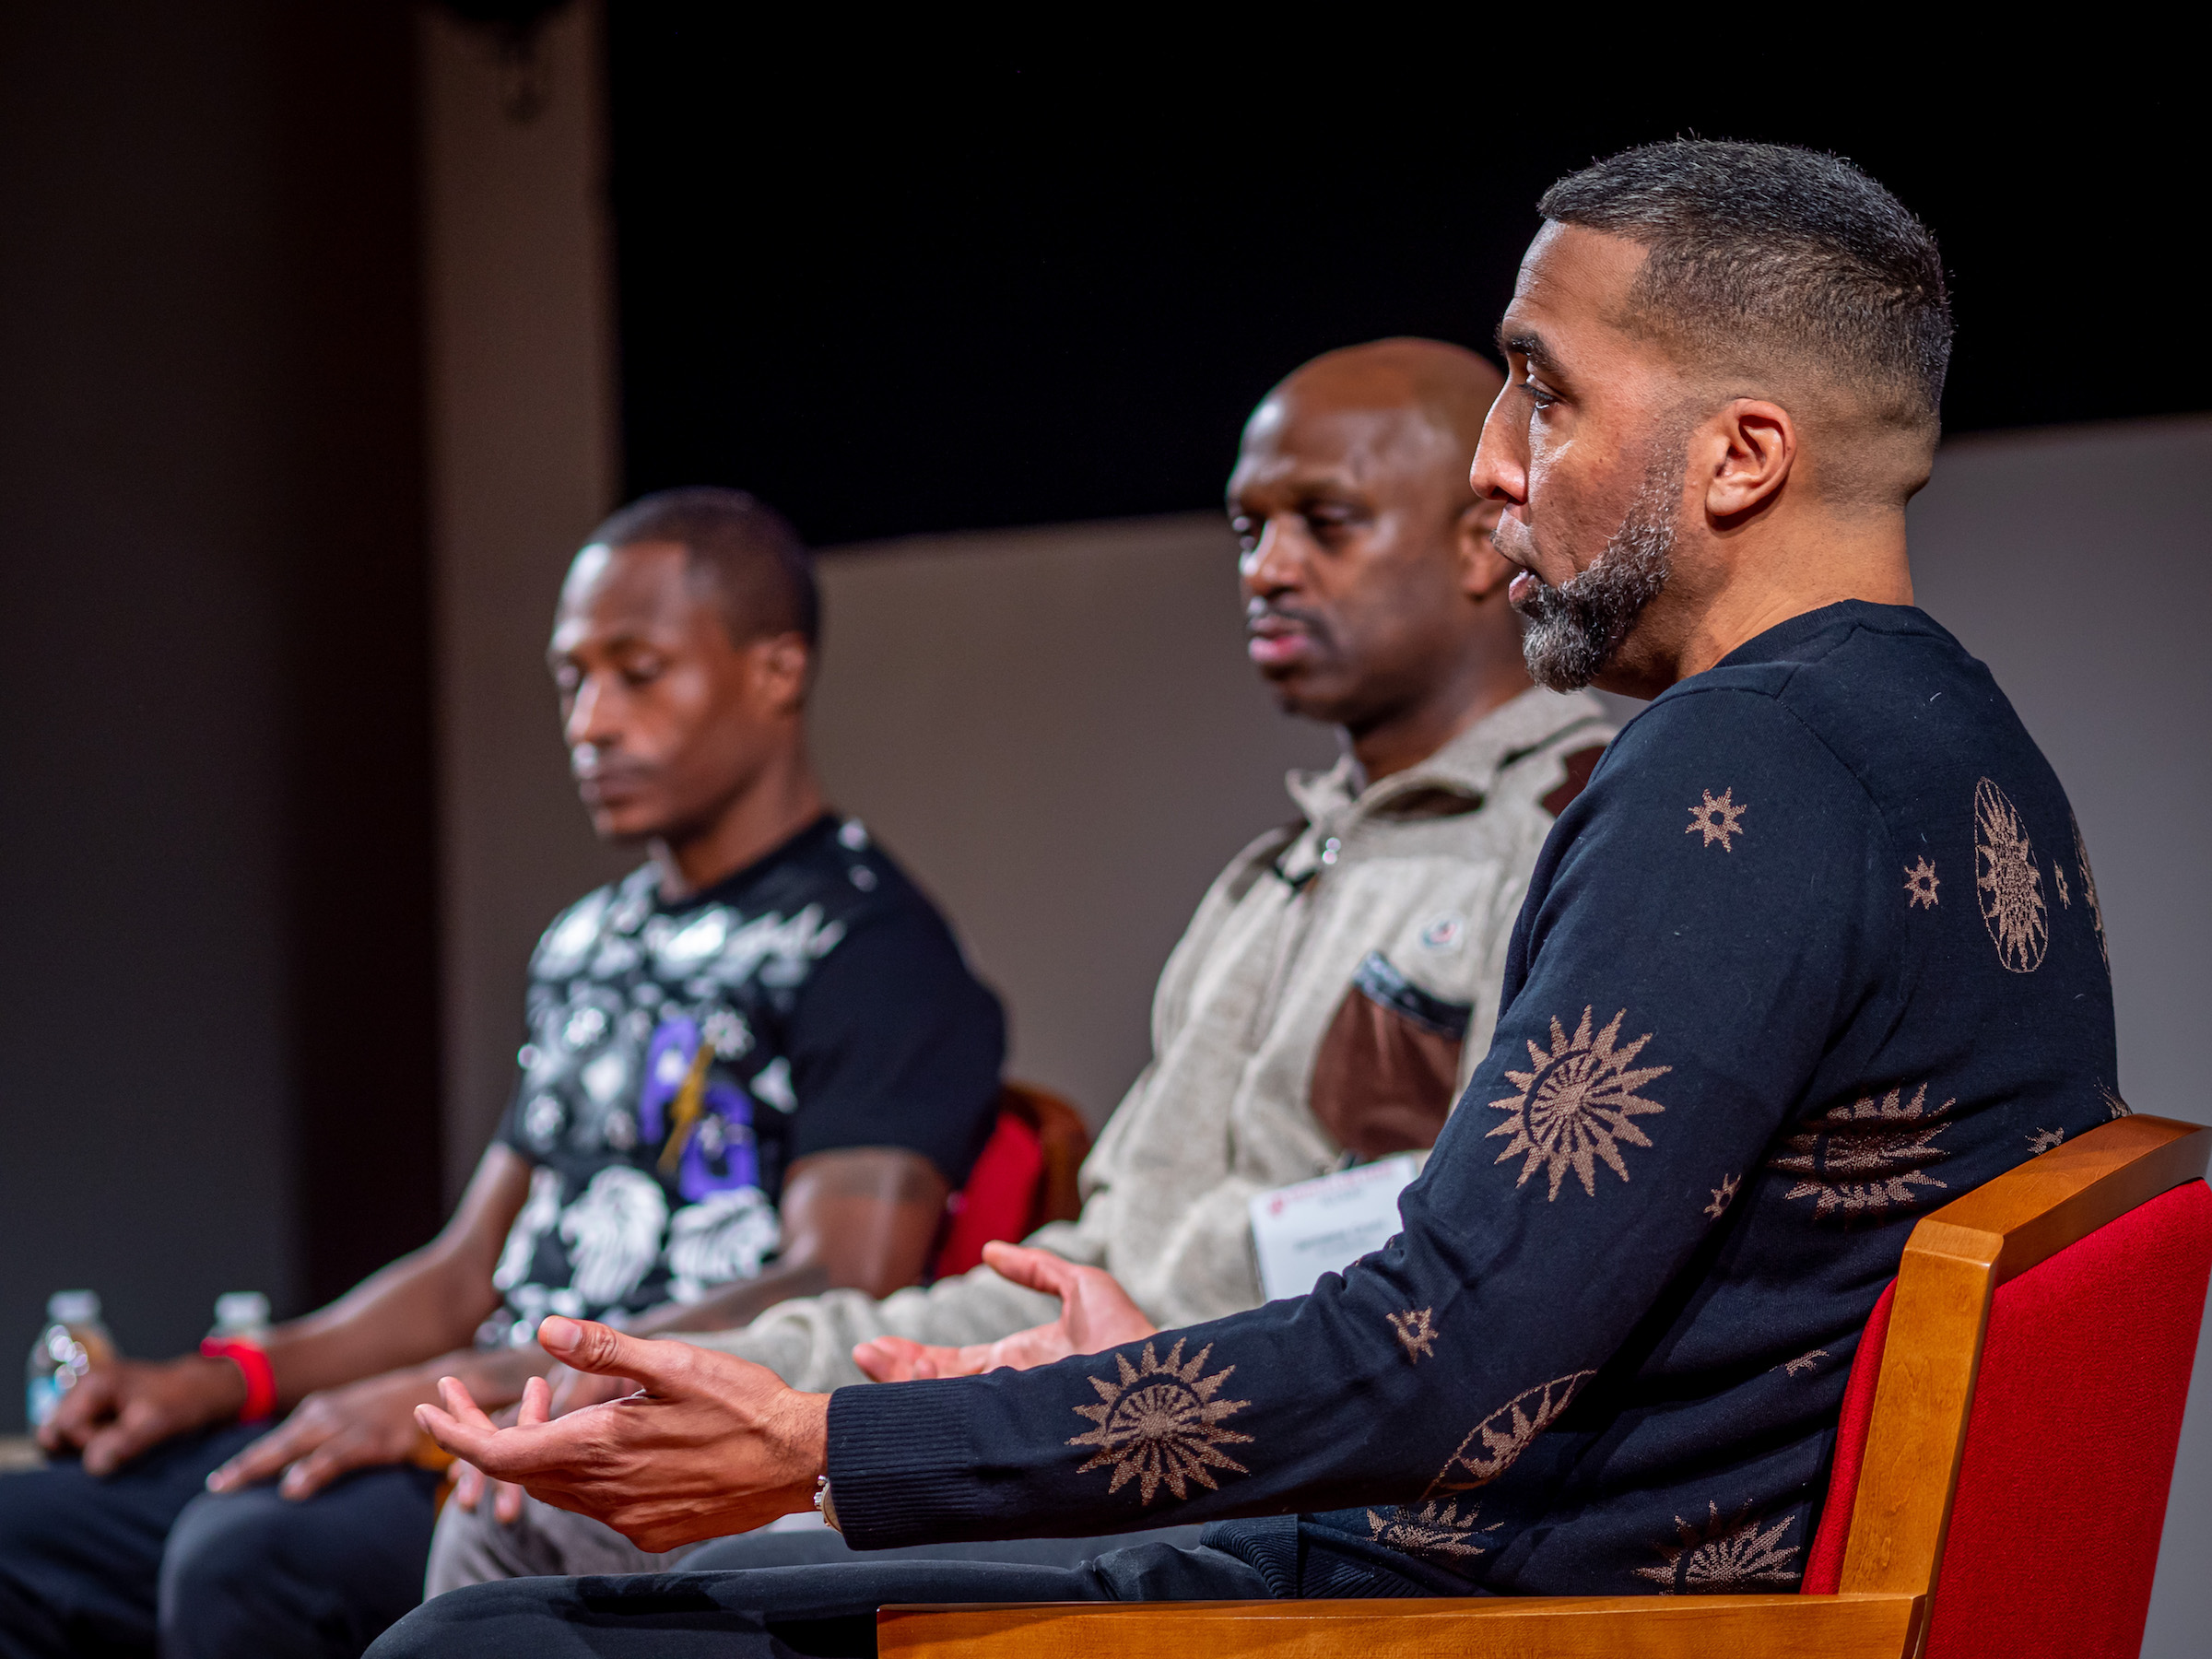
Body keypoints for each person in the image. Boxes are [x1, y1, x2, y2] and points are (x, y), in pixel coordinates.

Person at [379, 139, 2121, 1657]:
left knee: (494, 1635)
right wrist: (1133, 1378)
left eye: (1546, 390)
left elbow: (1439, 1364)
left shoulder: (1730, 776)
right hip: (1506, 1558)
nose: (1499, 464)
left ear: (1742, 458)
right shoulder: (1962, 745)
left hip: (1493, 1617)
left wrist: (823, 1447)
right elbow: (1544, 1316)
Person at [420, 337, 1616, 1591]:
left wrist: (928, 1428)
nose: (1267, 568)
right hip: (1085, 1393)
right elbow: (1103, 1262)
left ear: (1487, 541)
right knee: (543, 1488)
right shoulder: (1268, 876)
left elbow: (1474, 1296)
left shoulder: (1571, 833)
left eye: (1324, 523)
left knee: (619, 1564)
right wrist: (689, 1363)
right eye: (1247, 529)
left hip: (1245, 1457)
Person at [0, 488, 1006, 1659]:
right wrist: (229, 1375)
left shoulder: (871, 950)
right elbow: (462, 1269)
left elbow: (838, 1277)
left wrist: (463, 1394)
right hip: (475, 1401)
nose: (589, 721)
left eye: (637, 672)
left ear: (776, 671)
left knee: (248, 1558)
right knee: (25, 1530)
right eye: (571, 679)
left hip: (598, 1453)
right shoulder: (587, 940)